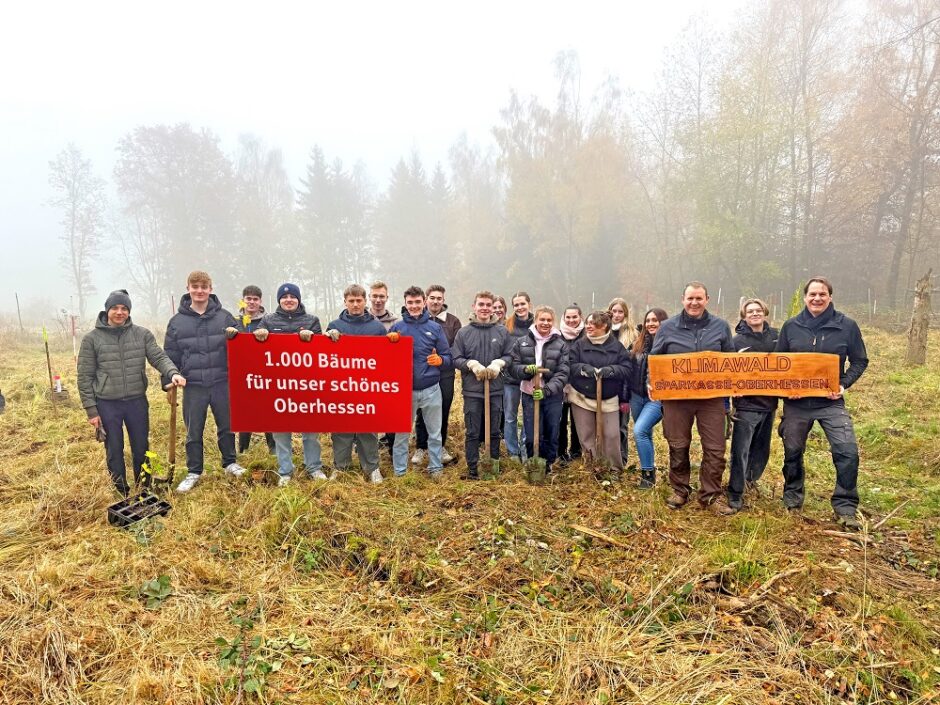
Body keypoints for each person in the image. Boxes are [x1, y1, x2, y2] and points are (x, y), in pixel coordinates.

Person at [776, 277, 868, 529]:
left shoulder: (847, 326)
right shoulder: (791, 326)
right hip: (796, 403)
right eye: (812, 294)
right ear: (805, 297)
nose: (817, 298)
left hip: (830, 402)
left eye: (822, 294)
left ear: (830, 296)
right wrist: (786, 389)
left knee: (846, 451)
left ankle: (845, 506)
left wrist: (843, 384)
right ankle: (793, 496)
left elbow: (860, 361)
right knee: (792, 452)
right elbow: (778, 364)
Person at [77, 289, 186, 496]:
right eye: (115, 308)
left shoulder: (142, 334)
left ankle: (144, 485)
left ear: (129, 311)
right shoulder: (92, 339)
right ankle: (121, 490)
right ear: (107, 310)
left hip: (136, 401)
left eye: (124, 308)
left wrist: (172, 373)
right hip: (107, 403)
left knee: (141, 445)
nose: (120, 312)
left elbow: (158, 357)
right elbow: (84, 377)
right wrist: (92, 411)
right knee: (114, 448)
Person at [650, 281, 735, 514]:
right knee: (678, 444)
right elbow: (655, 361)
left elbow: (731, 361)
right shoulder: (667, 327)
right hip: (677, 399)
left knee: (715, 448)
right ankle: (680, 489)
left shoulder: (721, 326)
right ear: (682, 299)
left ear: (707, 299)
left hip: (712, 398)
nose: (694, 303)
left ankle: (711, 495)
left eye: (699, 298)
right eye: (690, 298)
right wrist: (653, 383)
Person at [165, 271, 246, 493]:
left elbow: (241, 349)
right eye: (195, 286)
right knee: (194, 429)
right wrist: (169, 380)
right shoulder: (177, 322)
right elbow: (170, 354)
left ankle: (230, 462)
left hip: (221, 382)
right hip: (193, 385)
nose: (199, 290)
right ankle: (193, 471)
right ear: (188, 287)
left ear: (210, 288)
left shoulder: (226, 318)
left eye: (204, 286)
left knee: (227, 426)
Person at [242, 283, 325, 487]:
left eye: (293, 296)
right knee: (280, 431)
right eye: (285, 296)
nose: (289, 300)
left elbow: (321, 352)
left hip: (307, 385)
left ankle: (313, 466)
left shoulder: (312, 320)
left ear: (298, 299)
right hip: (278, 385)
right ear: (279, 300)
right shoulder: (268, 320)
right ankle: (285, 470)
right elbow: (257, 347)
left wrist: (313, 340)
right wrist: (259, 336)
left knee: (310, 429)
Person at [326, 284, 391, 483]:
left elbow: (384, 359)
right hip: (342, 388)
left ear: (365, 301)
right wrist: (327, 338)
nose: (355, 304)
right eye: (351, 301)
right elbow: (324, 358)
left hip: (367, 388)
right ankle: (340, 467)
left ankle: (372, 468)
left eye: (359, 300)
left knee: (368, 430)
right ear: (345, 302)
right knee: (341, 430)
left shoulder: (377, 328)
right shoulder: (334, 325)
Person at [390, 286, 453, 478]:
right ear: (405, 303)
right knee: (401, 435)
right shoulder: (397, 328)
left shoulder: (435, 328)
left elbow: (448, 357)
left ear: (424, 301)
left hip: (431, 389)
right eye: (410, 302)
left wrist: (440, 361)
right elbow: (387, 360)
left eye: (418, 302)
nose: (414, 306)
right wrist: (389, 343)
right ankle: (400, 472)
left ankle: (435, 469)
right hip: (405, 390)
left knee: (434, 434)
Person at [451, 291, 514, 479]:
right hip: (472, 391)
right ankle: (472, 469)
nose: (485, 308)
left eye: (488, 305)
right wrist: (471, 364)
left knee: (494, 430)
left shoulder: (502, 331)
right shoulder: (464, 332)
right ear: (474, 307)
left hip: (495, 390)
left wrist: (499, 364)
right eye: (481, 304)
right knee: (472, 431)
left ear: (492, 308)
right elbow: (456, 357)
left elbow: (510, 355)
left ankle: (492, 466)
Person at [726, 298, 778, 510]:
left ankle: (751, 480)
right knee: (741, 450)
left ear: (765, 313)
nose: (755, 314)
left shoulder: (777, 337)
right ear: (744, 316)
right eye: (750, 311)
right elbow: (728, 371)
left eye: (758, 310)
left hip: (770, 402)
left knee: (762, 448)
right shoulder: (736, 341)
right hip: (746, 404)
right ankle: (735, 492)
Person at [567, 310, 631, 472]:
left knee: (611, 435)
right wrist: (583, 369)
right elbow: (570, 364)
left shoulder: (616, 346)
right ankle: (593, 467)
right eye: (587, 323)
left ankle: (614, 469)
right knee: (586, 435)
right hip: (582, 396)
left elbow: (626, 368)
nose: (588, 326)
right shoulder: (579, 345)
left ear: (604, 326)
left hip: (608, 398)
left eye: (592, 324)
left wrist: (611, 370)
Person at [510, 305, 569, 473]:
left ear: (553, 321)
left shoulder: (561, 344)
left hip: (552, 396)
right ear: (535, 320)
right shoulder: (522, 342)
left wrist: (547, 390)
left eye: (549, 320)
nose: (545, 323)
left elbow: (563, 373)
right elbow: (513, 367)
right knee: (531, 433)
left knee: (551, 431)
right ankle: (533, 463)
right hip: (529, 394)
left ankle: (548, 464)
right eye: (542, 319)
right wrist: (525, 370)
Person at [413, 284, 462, 466]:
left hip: (445, 374)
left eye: (439, 298)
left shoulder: (453, 321)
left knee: (442, 409)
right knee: (421, 409)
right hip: (423, 374)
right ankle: (421, 447)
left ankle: (439, 446)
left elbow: (457, 348)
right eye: (432, 298)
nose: (435, 301)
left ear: (443, 300)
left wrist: (441, 357)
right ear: (426, 300)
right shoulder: (418, 319)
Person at [629, 308, 668, 489]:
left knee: (639, 431)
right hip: (637, 396)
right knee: (646, 434)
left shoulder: (670, 343)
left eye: (655, 320)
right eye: (648, 320)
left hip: (657, 398)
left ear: (663, 322)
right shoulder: (638, 343)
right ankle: (650, 470)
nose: (651, 323)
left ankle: (647, 474)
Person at [235, 284, 274, 454]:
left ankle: (273, 447)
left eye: (255, 299)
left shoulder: (269, 320)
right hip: (242, 374)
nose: (251, 302)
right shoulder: (234, 322)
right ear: (243, 301)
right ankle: (243, 450)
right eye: (248, 299)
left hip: (266, 373)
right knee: (246, 411)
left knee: (268, 410)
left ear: (260, 301)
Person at [370, 280, 399, 453]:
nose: (378, 300)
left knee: (389, 413)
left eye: (381, 296)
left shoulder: (396, 322)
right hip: (366, 374)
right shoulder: (361, 319)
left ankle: (392, 447)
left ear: (387, 297)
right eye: (375, 296)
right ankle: (368, 447)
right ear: (369, 297)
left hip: (388, 374)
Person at [503, 291, 534, 461]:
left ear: (529, 304)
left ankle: (525, 450)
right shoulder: (507, 326)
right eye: (516, 305)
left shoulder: (538, 324)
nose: (520, 307)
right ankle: (512, 451)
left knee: (528, 417)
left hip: (531, 378)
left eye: (522, 303)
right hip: (511, 379)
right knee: (510, 416)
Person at [608, 297, 638, 467]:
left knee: (621, 427)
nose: (617, 315)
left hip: (623, 390)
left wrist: (625, 397)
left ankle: (621, 460)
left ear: (625, 314)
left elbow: (630, 369)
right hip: (605, 389)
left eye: (620, 312)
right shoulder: (603, 332)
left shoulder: (632, 336)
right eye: (614, 311)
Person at [558, 304, 585, 466]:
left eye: (574, 317)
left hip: (579, 385)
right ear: (563, 318)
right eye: (568, 317)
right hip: (560, 385)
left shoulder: (586, 335)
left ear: (580, 317)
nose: (571, 320)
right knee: (560, 420)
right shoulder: (556, 335)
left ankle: (576, 451)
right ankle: (560, 452)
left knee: (577, 420)